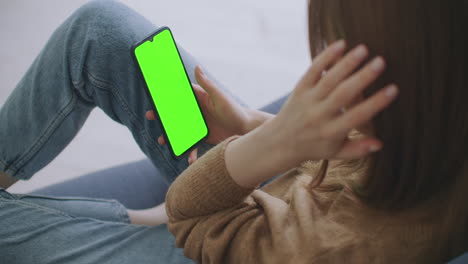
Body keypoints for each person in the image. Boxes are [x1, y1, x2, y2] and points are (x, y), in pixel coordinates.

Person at [1, 0, 467, 263]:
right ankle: (140, 222)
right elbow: (339, 163)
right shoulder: (437, 125)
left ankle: (139, 226)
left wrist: (270, 144)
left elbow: (188, 213)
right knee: (101, 32)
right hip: (261, 186)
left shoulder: (335, 251)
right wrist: (250, 126)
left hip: (209, 234)